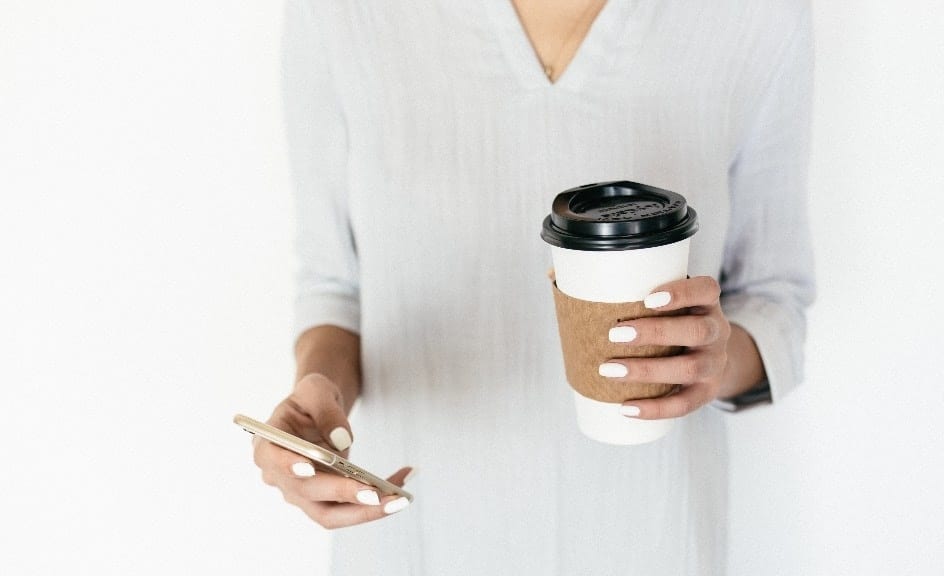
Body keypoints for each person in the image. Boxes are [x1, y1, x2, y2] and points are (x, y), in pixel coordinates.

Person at [252, 0, 815, 573]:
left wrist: (710, 359)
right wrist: (319, 397)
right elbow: (334, 283)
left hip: (648, 532)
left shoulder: (757, 16)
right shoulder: (339, 13)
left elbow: (775, 300)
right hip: (420, 533)